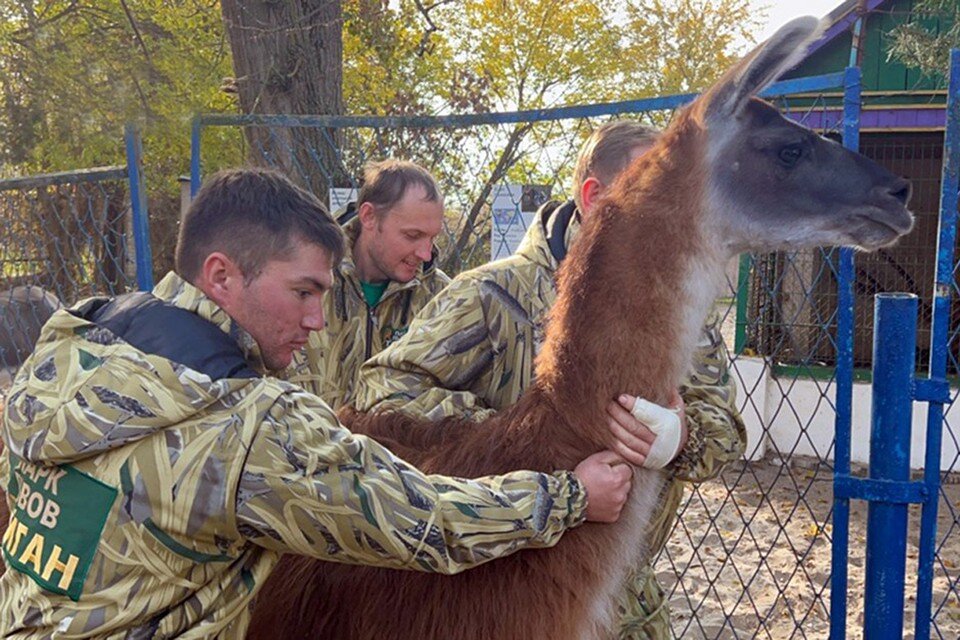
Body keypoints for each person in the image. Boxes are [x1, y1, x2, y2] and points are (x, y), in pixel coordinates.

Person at [0, 168, 651, 637]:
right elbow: (420, 520)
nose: (317, 320)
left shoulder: (72, 346)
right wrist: (567, 496)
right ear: (222, 274)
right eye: (303, 292)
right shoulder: (248, 427)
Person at [354, 120, 747, 639]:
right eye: (659, 196)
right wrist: (517, 444)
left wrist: (682, 437)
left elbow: (727, 432)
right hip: (503, 591)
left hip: (624, 597)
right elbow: (383, 388)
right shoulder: (494, 296)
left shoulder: (676, 308)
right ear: (595, 196)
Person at [284, 159, 450, 410]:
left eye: (432, 238)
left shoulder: (442, 298)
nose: (426, 254)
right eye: (412, 236)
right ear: (369, 217)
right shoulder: (301, 278)